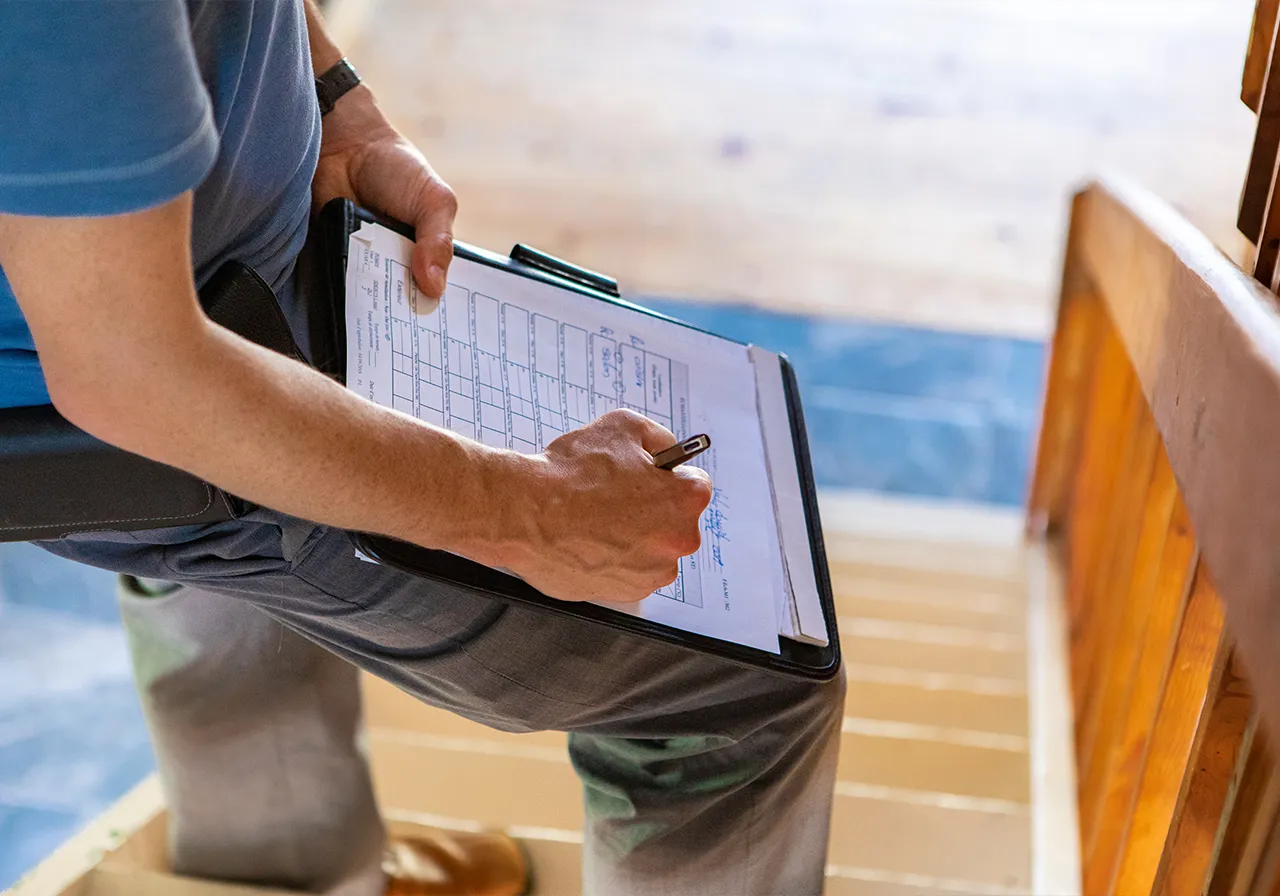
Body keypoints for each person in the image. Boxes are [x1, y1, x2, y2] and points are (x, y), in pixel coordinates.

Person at [0, 2, 844, 895]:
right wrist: (528, 512)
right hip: (159, 400)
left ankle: (298, 881)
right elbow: (132, 374)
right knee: (741, 698)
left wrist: (333, 102)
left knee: (222, 571)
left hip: (245, 290)